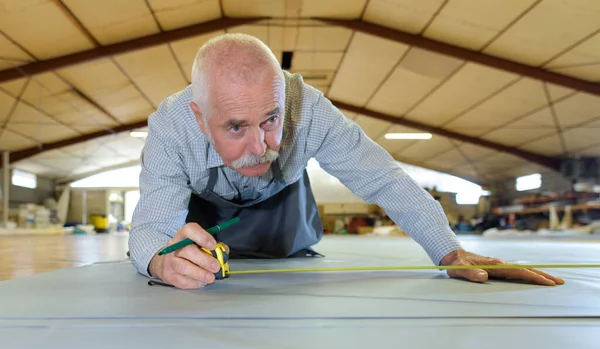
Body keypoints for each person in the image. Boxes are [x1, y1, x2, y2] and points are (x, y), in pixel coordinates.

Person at [128, 33, 564, 289]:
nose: (261, 147)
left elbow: (383, 178)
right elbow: (150, 229)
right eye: (236, 127)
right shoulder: (171, 128)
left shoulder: (310, 108)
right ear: (200, 118)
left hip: (285, 208)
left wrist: (448, 250)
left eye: (271, 119)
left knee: (289, 256)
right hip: (202, 213)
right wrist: (160, 261)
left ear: (284, 99)